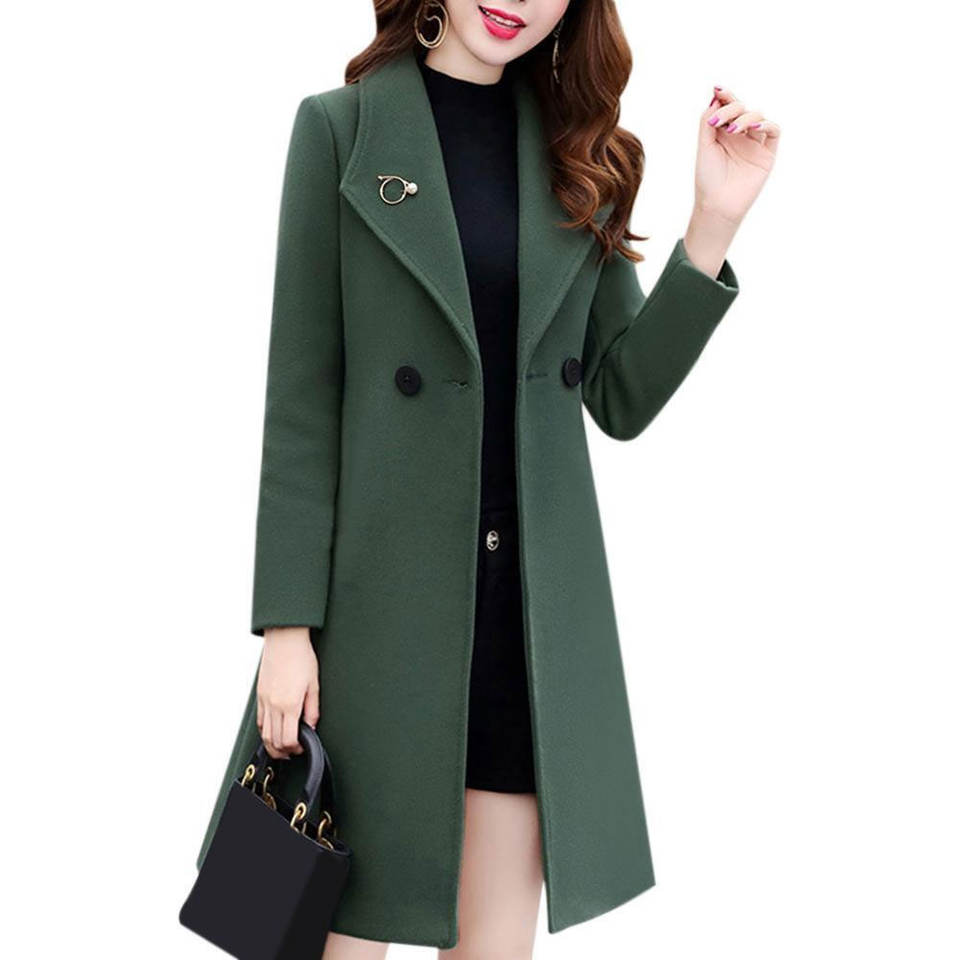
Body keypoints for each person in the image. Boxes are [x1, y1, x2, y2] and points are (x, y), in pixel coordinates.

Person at [195, 2, 779, 957]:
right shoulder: (340, 131)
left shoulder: (579, 155)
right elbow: (301, 402)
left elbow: (621, 395)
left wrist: (713, 222)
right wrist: (286, 629)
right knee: (332, 938)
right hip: (376, 625)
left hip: (522, 624)